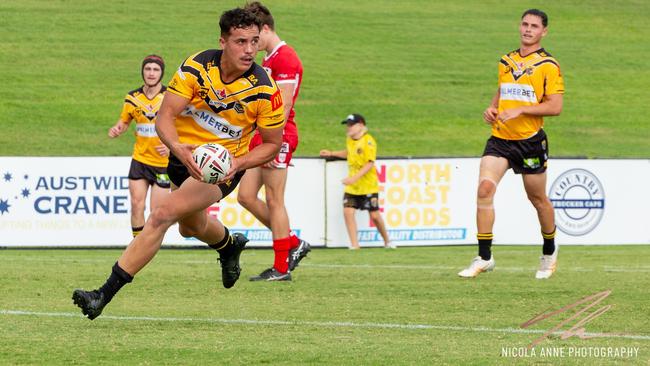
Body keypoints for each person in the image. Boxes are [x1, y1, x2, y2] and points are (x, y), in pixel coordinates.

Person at [72, 7, 286, 320]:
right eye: (241, 41)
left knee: (161, 215)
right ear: (223, 41)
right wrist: (179, 150)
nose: (250, 49)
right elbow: (165, 117)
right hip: (181, 156)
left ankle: (102, 294)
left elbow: (271, 144)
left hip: (220, 169)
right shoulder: (197, 66)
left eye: (255, 41)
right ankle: (227, 246)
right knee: (190, 227)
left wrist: (237, 163)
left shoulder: (265, 89)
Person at [458, 9, 564, 279]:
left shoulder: (548, 65)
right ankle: (484, 256)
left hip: (529, 142)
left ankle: (550, 251)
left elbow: (555, 106)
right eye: (525, 24)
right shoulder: (506, 60)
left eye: (534, 26)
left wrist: (521, 110)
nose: (528, 29)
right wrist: (492, 108)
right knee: (484, 190)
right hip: (500, 139)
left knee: (537, 199)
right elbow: (503, 89)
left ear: (544, 32)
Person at [237, 1, 310, 282]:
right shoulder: (270, 59)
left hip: (278, 134)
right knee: (245, 196)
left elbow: (285, 103)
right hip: (262, 135)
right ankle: (292, 242)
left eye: (256, 37)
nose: (251, 45)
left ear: (266, 28)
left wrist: (272, 138)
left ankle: (282, 267)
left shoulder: (286, 58)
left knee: (274, 200)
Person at [108, 55, 170, 238]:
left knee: (156, 211)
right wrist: (118, 128)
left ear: (161, 73)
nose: (151, 73)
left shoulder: (169, 97)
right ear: (142, 71)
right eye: (148, 69)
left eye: (155, 69)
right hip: (140, 159)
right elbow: (125, 121)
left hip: (163, 163)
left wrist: (172, 147)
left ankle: (150, 245)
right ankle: (138, 245)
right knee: (136, 204)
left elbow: (183, 124)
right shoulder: (132, 98)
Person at [319, 114, 393, 250]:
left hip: (368, 186)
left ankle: (388, 241)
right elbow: (349, 153)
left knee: (375, 215)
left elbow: (369, 163)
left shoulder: (368, 141)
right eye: (347, 125)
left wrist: (354, 178)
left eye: (351, 125)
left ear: (360, 125)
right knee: (348, 212)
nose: (348, 128)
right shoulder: (350, 140)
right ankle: (355, 245)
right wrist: (331, 153)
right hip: (353, 187)